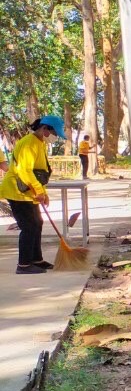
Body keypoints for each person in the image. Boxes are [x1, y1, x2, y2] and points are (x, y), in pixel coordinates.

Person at [1, 116, 63, 275]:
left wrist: (43, 192)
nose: (55, 137)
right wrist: (39, 191)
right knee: (29, 226)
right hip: (17, 191)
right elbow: (24, 170)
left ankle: (36, 259)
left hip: (29, 192)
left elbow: (39, 172)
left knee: (37, 223)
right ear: (45, 129)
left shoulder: (39, 143)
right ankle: (23, 265)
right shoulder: (29, 143)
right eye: (54, 133)